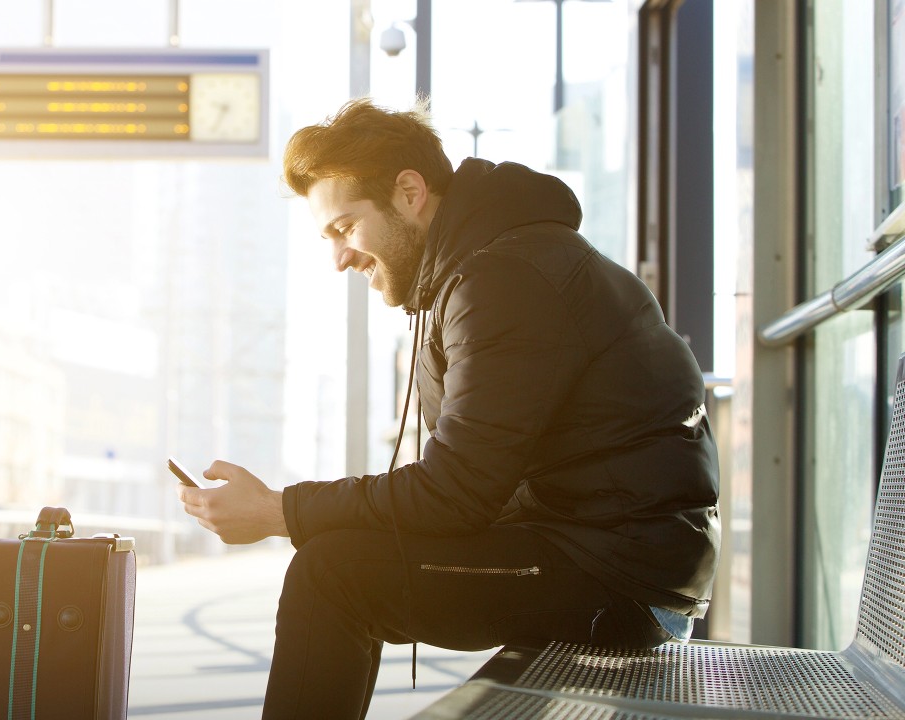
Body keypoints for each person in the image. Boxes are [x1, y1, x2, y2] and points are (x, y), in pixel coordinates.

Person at [177, 98, 719, 720]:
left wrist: (277, 511)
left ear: (409, 192)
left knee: (334, 573)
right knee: (344, 557)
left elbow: (453, 494)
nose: (339, 258)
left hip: (618, 578)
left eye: (345, 228)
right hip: (614, 557)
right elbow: (462, 489)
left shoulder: (504, 279)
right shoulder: (485, 268)